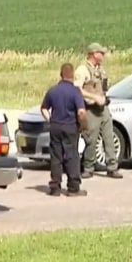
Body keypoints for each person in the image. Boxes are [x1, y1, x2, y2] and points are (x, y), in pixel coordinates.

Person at [73, 43, 123, 179]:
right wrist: (94, 97)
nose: (103, 55)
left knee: (109, 137)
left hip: (103, 108)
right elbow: (77, 89)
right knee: (91, 139)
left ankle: (112, 167)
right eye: (100, 53)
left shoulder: (100, 69)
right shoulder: (82, 70)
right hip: (90, 109)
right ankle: (88, 167)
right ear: (93, 54)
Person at [40, 63, 87, 197]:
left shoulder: (53, 90)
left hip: (55, 126)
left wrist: (50, 119)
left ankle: (55, 187)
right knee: (71, 156)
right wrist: (83, 125)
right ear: (72, 75)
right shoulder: (75, 92)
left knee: (56, 157)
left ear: (61, 74)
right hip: (70, 127)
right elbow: (81, 112)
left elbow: (43, 108)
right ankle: (73, 187)